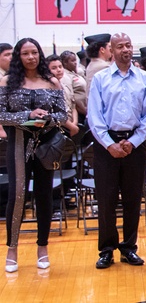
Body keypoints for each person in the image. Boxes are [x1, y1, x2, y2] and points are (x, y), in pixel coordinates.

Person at [88, 33, 146, 268]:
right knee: (106, 199)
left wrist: (134, 141)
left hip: (134, 145)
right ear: (111, 50)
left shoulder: (144, 79)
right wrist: (109, 144)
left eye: (128, 45)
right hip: (106, 144)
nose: (125, 49)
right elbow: (94, 116)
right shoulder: (100, 79)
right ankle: (106, 249)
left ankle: (129, 248)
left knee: (132, 199)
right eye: (120, 46)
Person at [1, 38, 68, 272]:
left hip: (46, 144)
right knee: (17, 196)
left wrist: (45, 118)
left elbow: (63, 115)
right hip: (18, 144)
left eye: (35, 52)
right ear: (19, 57)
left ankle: (43, 247)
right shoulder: (7, 82)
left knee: (44, 195)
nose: (31, 57)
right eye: (25, 53)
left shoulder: (52, 82)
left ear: (40, 55)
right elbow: (1, 115)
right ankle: (12, 248)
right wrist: (28, 116)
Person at [47, 55, 81, 137]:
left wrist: (74, 124)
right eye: (54, 68)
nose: (59, 70)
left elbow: (73, 107)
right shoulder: (48, 89)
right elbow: (54, 112)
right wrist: (71, 126)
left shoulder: (66, 86)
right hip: (58, 128)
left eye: (60, 67)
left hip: (72, 126)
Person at [59, 51, 88, 121]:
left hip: (85, 108)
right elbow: (71, 97)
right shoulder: (65, 76)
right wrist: (85, 112)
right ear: (65, 63)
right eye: (72, 61)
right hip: (79, 111)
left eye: (75, 60)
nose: (75, 63)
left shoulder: (73, 73)